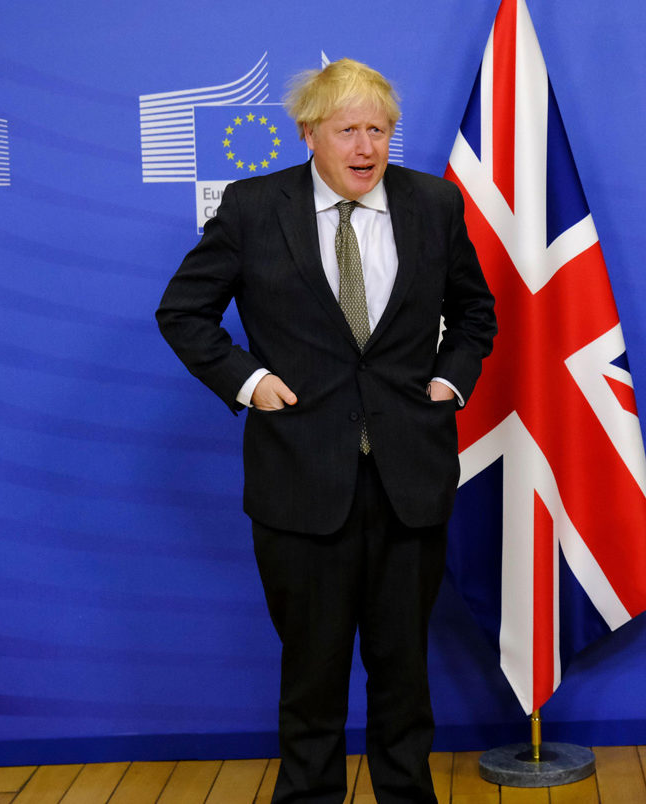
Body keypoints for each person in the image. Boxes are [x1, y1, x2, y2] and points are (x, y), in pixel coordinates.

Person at [156, 58, 495, 804]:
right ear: (310, 134)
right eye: (349, 130)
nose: (366, 146)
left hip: (410, 480)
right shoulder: (252, 207)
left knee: (403, 672)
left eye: (378, 129)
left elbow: (475, 316)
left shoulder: (434, 204)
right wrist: (250, 383)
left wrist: (449, 382)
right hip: (300, 483)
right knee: (311, 674)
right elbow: (182, 312)